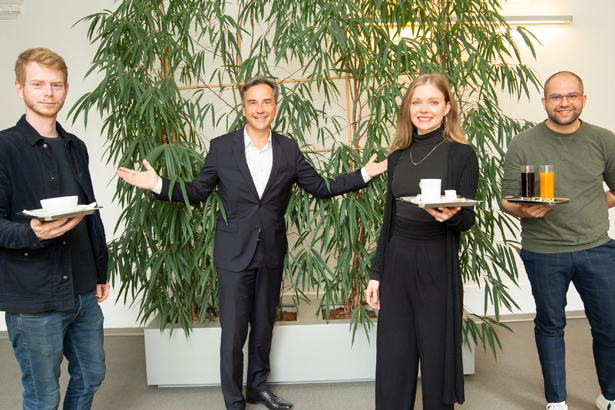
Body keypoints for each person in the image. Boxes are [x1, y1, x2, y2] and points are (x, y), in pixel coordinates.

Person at [117, 76, 387, 410]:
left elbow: (319, 187)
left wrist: (364, 174)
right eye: (252, 102)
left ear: (276, 106)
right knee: (232, 334)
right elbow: (198, 192)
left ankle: (257, 387)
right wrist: (157, 183)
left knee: (263, 329)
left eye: (266, 102)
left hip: (271, 253)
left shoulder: (288, 148)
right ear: (242, 108)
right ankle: (234, 401)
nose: (260, 109)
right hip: (233, 255)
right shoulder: (221, 147)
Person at [0, 48, 110, 410]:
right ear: (20, 88)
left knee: (91, 375)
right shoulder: (4, 147)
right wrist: (32, 233)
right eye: (38, 84)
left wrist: (100, 269)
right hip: (34, 296)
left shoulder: (75, 146)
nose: (48, 93)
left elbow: (89, 212)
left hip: (82, 289)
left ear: (66, 89)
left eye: (56, 85)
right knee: (43, 394)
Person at [500, 71, 615, 410]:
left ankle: (609, 395)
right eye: (556, 97)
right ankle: (556, 401)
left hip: (597, 248)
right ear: (544, 101)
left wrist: (593, 203)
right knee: (550, 325)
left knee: (609, 327)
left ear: (582, 99)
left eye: (571, 96)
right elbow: (506, 199)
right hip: (543, 251)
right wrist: (524, 211)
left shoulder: (604, 139)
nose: (564, 102)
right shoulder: (523, 142)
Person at [365, 73, 478, 410]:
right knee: (393, 359)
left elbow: (467, 219)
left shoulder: (462, 154)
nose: (423, 109)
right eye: (416, 102)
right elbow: (389, 221)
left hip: (436, 264)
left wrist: (451, 216)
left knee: (435, 359)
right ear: (407, 109)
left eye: (433, 102)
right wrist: (376, 273)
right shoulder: (399, 155)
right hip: (398, 262)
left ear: (447, 108)